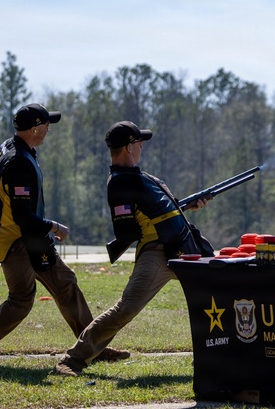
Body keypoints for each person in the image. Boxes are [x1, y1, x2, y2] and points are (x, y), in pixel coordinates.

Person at [0, 103, 129, 366]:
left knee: (66, 284)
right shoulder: (19, 163)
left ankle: (93, 347)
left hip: (27, 237)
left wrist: (42, 230)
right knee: (21, 300)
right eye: (46, 124)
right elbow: (22, 217)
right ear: (34, 128)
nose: (48, 129)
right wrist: (54, 226)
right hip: (15, 240)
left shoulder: (13, 147)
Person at [52, 121, 210, 377]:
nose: (141, 147)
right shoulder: (119, 183)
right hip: (158, 254)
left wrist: (185, 207)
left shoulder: (143, 178)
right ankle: (71, 361)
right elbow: (125, 230)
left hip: (184, 247)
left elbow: (155, 210)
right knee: (125, 309)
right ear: (128, 147)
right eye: (138, 143)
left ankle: (213, 358)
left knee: (213, 299)